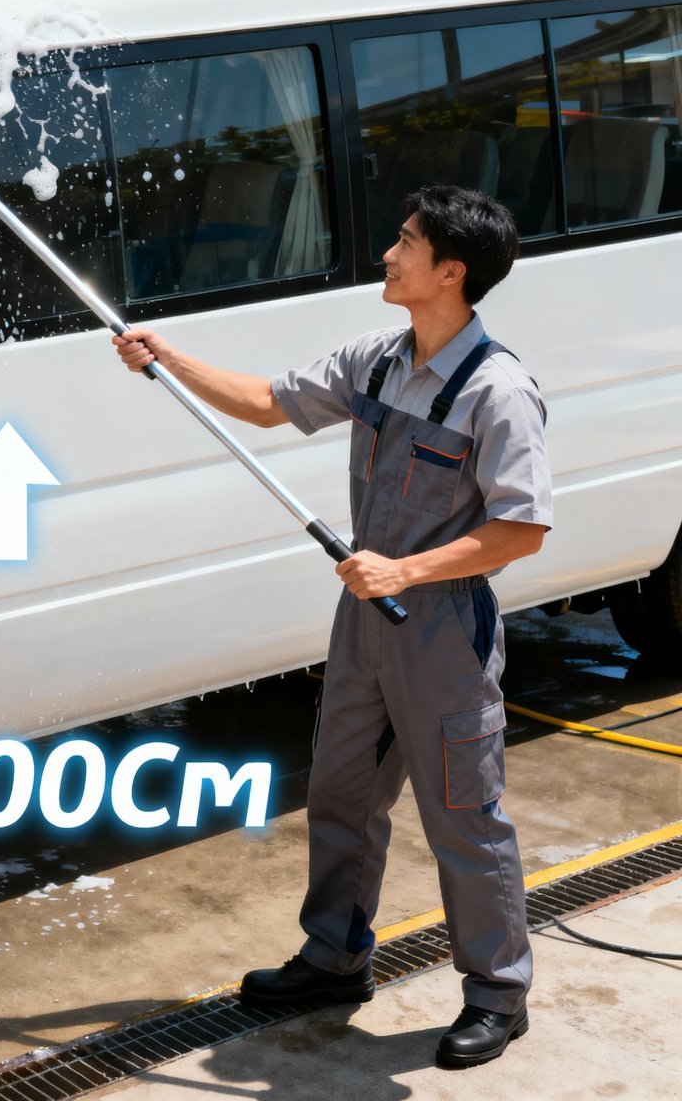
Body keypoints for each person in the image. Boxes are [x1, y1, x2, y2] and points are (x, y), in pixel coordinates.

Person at [113, 185, 552, 1070]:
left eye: (405, 242)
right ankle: (334, 958)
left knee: (464, 813)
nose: (387, 255)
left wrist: (407, 569)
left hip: (441, 627)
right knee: (343, 796)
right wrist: (169, 360)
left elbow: (522, 528)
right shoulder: (380, 360)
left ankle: (499, 994)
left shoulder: (499, 393)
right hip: (364, 619)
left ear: (451, 272)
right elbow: (271, 401)